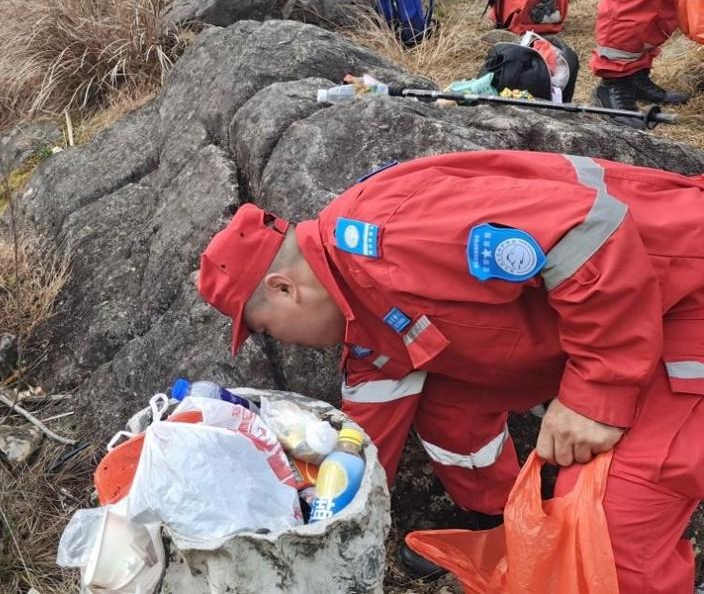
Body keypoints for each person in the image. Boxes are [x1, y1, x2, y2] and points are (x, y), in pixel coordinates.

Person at [197, 150, 704, 592]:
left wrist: (596, 395)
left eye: (267, 329)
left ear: (285, 288)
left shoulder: (393, 235)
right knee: (448, 410)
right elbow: (366, 434)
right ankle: (500, 520)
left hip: (680, 291)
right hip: (621, 312)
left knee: (600, 532)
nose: (282, 343)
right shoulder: (359, 307)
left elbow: (587, 234)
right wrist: (319, 517)